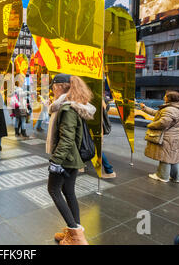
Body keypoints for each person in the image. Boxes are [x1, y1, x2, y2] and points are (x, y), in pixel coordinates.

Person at [46, 74, 95, 245]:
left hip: (66, 158)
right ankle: (75, 229)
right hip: (72, 157)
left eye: (53, 85)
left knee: (53, 190)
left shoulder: (67, 108)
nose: (52, 88)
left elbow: (66, 139)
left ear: (60, 86)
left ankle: (76, 237)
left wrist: (56, 161)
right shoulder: (71, 105)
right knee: (68, 192)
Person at [140, 91, 179, 183]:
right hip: (175, 135)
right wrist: (145, 108)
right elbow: (158, 113)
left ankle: (162, 176)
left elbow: (163, 122)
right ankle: (176, 177)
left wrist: (151, 125)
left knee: (165, 156)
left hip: (167, 136)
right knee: (174, 157)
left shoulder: (170, 109)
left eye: (165, 96)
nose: (164, 97)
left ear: (170, 98)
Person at [101, 99, 116, 178]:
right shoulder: (102, 100)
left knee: (97, 150)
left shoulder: (98, 100)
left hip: (97, 129)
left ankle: (109, 171)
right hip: (99, 129)